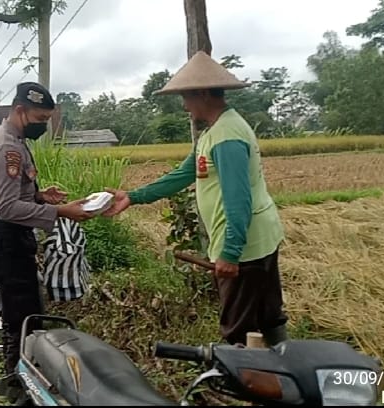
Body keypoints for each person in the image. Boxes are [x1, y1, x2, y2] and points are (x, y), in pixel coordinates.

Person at [104, 51, 289, 347]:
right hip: (260, 236)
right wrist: (134, 196)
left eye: (186, 96)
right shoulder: (215, 132)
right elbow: (183, 174)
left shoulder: (227, 136)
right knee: (268, 315)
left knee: (238, 329)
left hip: (246, 244)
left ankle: (249, 385)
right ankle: (280, 374)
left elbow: (237, 199)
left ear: (203, 93)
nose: (183, 104)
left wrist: (230, 251)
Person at [0, 82, 95, 392]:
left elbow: (13, 194)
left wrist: (41, 196)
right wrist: (62, 212)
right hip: (6, 237)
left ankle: (19, 375)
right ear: (20, 111)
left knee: (23, 307)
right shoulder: (8, 146)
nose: (43, 125)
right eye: (40, 119)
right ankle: (17, 383)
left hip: (9, 236)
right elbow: (6, 207)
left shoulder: (14, 138)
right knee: (23, 313)